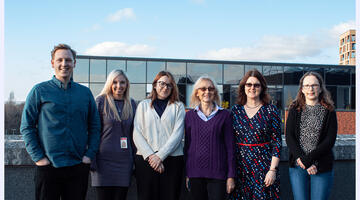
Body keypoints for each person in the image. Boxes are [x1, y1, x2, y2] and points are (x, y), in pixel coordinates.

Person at [20, 44, 101, 200]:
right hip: (48, 167)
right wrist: (39, 158)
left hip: (78, 166)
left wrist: (89, 155)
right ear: (52, 63)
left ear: (74, 63)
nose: (64, 64)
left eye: (68, 60)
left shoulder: (84, 93)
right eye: (60, 60)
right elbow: (26, 127)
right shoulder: (39, 91)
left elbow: (95, 126)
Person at [229, 69, 282, 200]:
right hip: (240, 168)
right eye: (249, 84)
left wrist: (272, 170)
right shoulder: (235, 111)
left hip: (263, 168)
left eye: (256, 85)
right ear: (243, 87)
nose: (252, 88)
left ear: (262, 88)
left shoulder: (271, 110)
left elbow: (277, 142)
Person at [133, 71, 185, 200]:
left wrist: (160, 156)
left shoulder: (178, 106)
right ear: (155, 85)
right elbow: (137, 132)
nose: (165, 87)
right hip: (146, 160)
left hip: (172, 160)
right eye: (161, 83)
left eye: (169, 85)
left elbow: (177, 134)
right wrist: (152, 157)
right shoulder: (143, 105)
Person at [285, 72, 337, 200]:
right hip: (298, 165)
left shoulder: (329, 111)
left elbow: (329, 140)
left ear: (320, 88)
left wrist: (309, 160)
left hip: (321, 165)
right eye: (307, 85)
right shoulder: (294, 109)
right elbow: (289, 137)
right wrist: (302, 160)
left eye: (314, 85)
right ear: (302, 89)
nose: (311, 89)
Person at [184, 76, 235, 200]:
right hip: (195, 174)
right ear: (197, 92)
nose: (207, 92)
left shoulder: (225, 115)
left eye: (211, 89)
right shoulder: (189, 116)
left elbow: (230, 148)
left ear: (215, 92)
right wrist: (187, 174)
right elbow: (187, 146)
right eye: (203, 89)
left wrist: (231, 176)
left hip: (218, 175)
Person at [90, 69, 137, 200]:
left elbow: (134, 135)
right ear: (109, 84)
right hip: (102, 162)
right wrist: (91, 159)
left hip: (124, 163)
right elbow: (93, 132)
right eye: (115, 82)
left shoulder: (132, 104)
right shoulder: (100, 101)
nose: (118, 86)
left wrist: (135, 161)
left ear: (127, 84)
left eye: (122, 82)